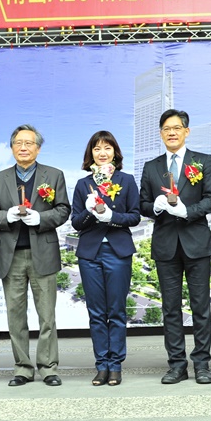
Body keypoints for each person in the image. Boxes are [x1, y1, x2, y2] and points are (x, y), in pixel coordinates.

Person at [0, 124, 71, 387]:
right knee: (16, 315)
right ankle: (22, 368)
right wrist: (7, 216)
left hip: (42, 253)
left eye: (29, 143)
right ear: (12, 147)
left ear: (38, 148)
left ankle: (48, 367)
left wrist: (41, 218)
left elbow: (63, 209)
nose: (23, 148)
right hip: (10, 256)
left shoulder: (53, 175)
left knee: (47, 315)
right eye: (18, 143)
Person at [139, 109, 211, 385]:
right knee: (170, 308)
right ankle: (176, 365)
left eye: (176, 128)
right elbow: (142, 204)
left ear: (186, 131)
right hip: (166, 246)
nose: (171, 133)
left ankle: (202, 364)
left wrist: (187, 211)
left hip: (197, 243)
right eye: (166, 129)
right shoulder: (151, 166)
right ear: (160, 134)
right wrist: (155, 207)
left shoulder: (203, 161)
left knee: (200, 307)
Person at [71, 131, 140, 386]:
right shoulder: (83, 184)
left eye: (107, 148)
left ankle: (116, 365)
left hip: (118, 251)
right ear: (90, 153)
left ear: (115, 152)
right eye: (97, 148)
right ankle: (101, 364)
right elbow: (76, 222)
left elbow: (134, 216)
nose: (102, 153)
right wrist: (90, 211)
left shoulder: (126, 180)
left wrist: (111, 216)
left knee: (117, 311)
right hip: (90, 254)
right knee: (97, 312)